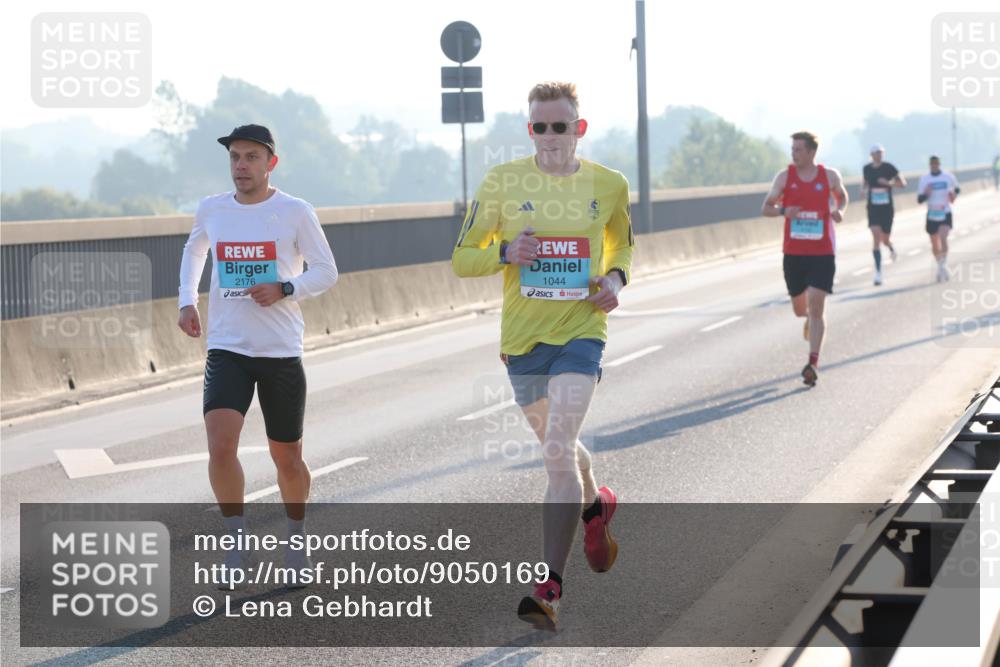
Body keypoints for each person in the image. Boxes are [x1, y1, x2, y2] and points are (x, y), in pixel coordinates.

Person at [451, 82, 634, 631]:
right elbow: (462, 258)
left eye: (560, 126)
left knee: (556, 450)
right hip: (524, 342)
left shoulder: (609, 184)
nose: (550, 135)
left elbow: (622, 245)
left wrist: (615, 279)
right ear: (529, 130)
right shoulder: (502, 182)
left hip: (582, 331)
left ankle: (549, 587)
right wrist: (507, 251)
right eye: (540, 126)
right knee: (561, 448)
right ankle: (595, 505)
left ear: (579, 129)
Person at [177, 124, 339, 588]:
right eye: (235, 157)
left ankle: (296, 541)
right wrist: (187, 300)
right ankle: (236, 543)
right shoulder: (213, 209)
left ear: (271, 163)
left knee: (287, 458)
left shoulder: (294, 211)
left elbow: (327, 271)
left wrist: (285, 288)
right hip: (227, 347)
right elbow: (194, 250)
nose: (241, 165)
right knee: (220, 445)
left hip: (279, 350)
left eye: (251, 157)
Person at [762, 131, 848, 387]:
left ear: (811, 152)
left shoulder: (829, 176)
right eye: (792, 149)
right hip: (794, 253)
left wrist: (839, 210)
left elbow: (842, 196)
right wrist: (783, 210)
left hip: (822, 252)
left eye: (798, 149)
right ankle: (808, 320)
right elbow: (765, 207)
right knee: (801, 309)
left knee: (817, 305)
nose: (794, 154)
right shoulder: (784, 177)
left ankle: (813, 363)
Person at [860, 144, 906, 286]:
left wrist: (888, 183)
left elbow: (903, 184)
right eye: (876, 153)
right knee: (876, 238)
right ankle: (878, 273)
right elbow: (865, 183)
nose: (879, 155)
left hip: (887, 209)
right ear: (871, 155)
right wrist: (863, 190)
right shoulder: (866, 168)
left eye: (880, 153)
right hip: (873, 208)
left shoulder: (889, 167)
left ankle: (890, 247)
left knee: (885, 239)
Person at [917, 155, 960, 282]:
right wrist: (927, 194)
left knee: (943, 237)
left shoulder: (948, 177)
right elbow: (919, 199)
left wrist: (953, 195)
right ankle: (941, 266)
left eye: (936, 163)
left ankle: (943, 264)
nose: (934, 165)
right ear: (930, 165)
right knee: (934, 242)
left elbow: (957, 189)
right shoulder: (925, 179)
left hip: (945, 211)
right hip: (932, 213)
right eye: (932, 164)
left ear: (939, 164)